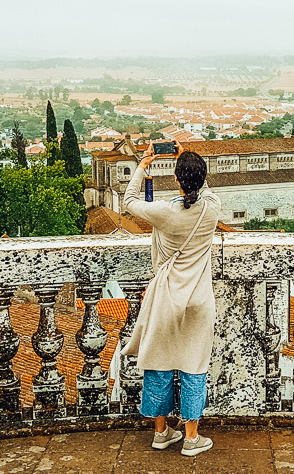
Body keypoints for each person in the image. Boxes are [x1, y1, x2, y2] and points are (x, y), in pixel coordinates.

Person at [118, 145, 220, 456]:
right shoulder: (212, 208)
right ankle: (191, 438)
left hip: (165, 297)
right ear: (201, 179)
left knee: (159, 363)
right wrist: (186, 158)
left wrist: (143, 164)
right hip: (199, 299)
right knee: (193, 366)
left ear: (176, 180)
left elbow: (129, 201)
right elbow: (205, 191)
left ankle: (161, 433)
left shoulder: (165, 213)